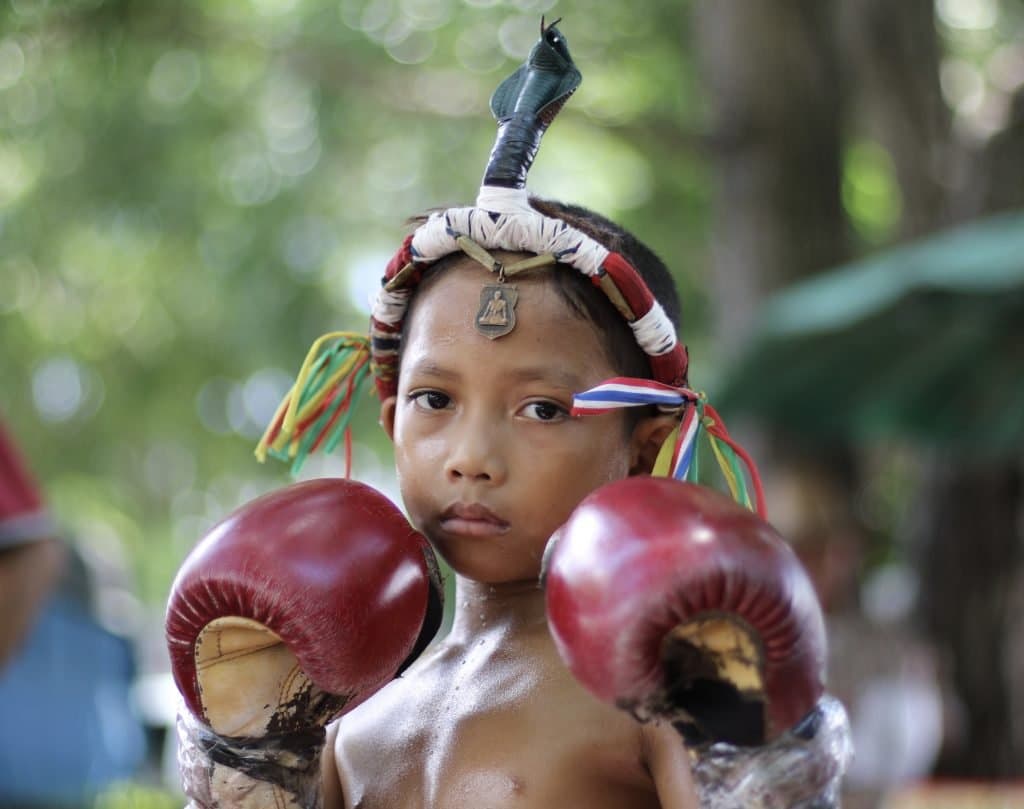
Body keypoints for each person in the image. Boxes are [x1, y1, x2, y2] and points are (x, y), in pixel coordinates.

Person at [168, 19, 850, 809]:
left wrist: (746, 730)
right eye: (435, 399)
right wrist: (256, 741)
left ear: (645, 445)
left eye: (541, 408)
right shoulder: (350, 714)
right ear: (391, 417)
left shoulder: (654, 702)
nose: (472, 454)